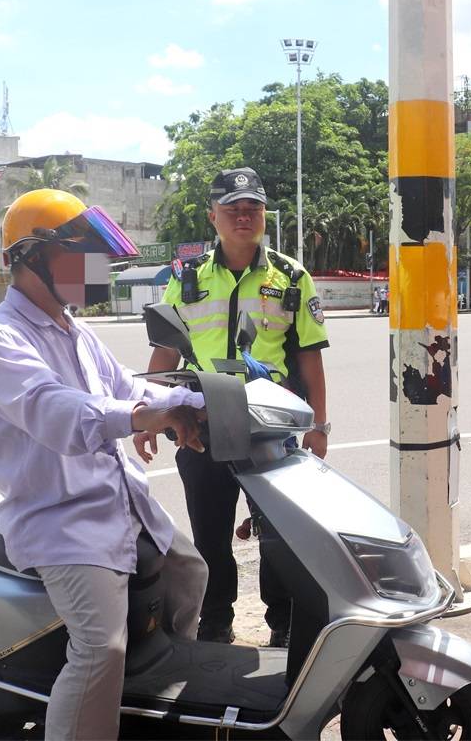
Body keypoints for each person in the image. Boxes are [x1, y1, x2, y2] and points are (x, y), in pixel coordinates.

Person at [0, 189, 209, 741]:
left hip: (117, 501)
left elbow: (126, 386)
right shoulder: (0, 339)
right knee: (102, 646)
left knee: (190, 573)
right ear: (33, 257)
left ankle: (149, 701)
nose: (98, 272)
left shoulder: (75, 329)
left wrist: (187, 400)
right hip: (60, 519)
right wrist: (142, 416)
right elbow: (55, 410)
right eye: (84, 257)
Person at [140, 166, 329, 648]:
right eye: (233, 210)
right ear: (214, 217)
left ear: (264, 215)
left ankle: (283, 626)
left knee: (278, 534)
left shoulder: (291, 277)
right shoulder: (185, 279)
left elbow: (309, 356)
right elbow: (164, 352)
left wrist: (319, 426)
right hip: (200, 425)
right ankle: (216, 621)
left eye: (253, 209)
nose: (244, 217)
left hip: (271, 428)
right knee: (210, 532)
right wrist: (147, 412)